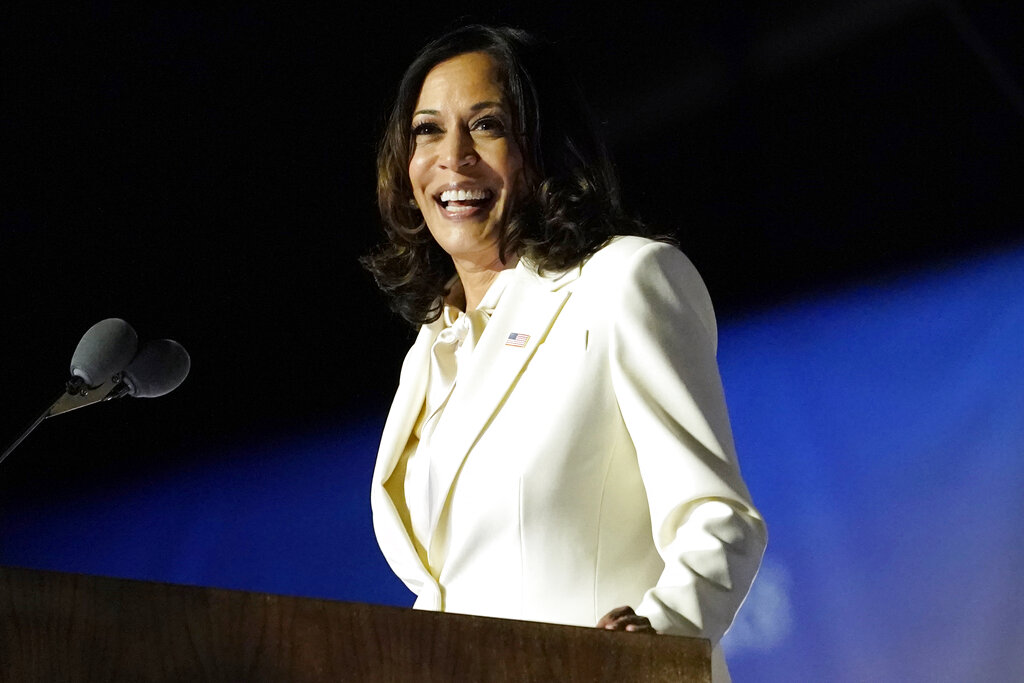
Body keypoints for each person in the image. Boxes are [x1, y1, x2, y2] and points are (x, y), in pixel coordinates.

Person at [363, 25, 766, 681]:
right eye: (428, 131)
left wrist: (654, 638)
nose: (452, 156)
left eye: (487, 125)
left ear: (542, 150)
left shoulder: (623, 281)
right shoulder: (430, 351)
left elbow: (720, 521)